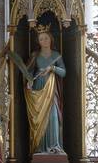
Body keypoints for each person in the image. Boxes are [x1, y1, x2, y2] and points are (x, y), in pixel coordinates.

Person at [12, 25, 66, 156]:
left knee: (52, 117)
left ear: (51, 39)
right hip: (38, 88)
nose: (44, 41)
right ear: (38, 41)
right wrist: (29, 82)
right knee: (39, 119)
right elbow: (28, 73)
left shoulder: (56, 55)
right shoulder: (35, 55)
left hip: (51, 90)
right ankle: (41, 148)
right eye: (41, 39)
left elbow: (63, 72)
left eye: (46, 38)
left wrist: (53, 68)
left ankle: (54, 147)